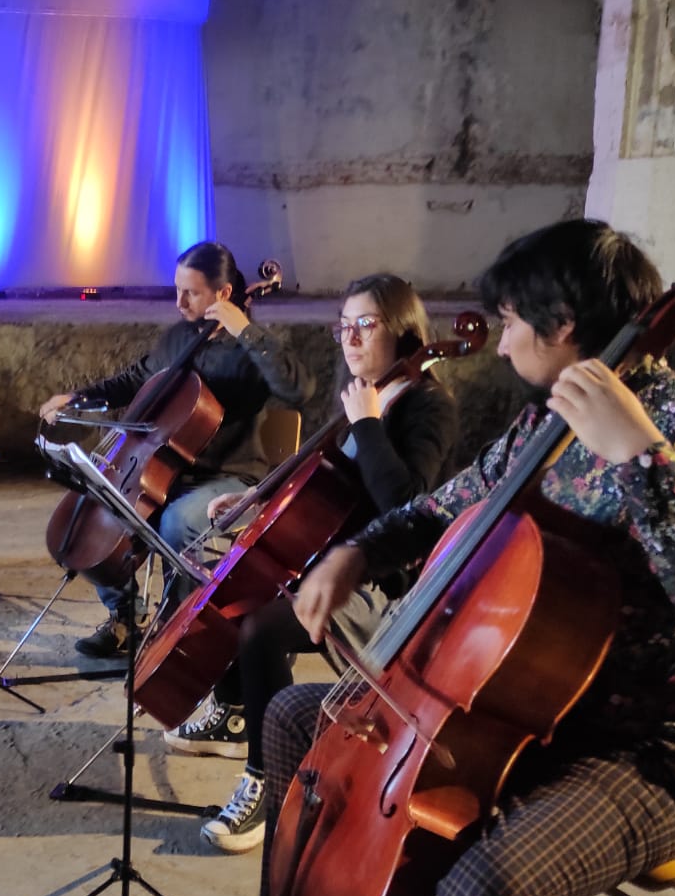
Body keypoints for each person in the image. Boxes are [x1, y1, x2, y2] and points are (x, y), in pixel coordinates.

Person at [172, 219, 675, 896]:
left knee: (487, 886)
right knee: (288, 720)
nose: (498, 345)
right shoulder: (540, 425)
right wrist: (357, 552)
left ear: (563, 321)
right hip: (513, 715)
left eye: (508, 322)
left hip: (652, 752)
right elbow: (441, 508)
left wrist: (643, 460)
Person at [163, 273, 460, 853]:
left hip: (387, 583)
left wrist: (370, 423)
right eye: (343, 326)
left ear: (403, 331)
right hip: (333, 559)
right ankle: (234, 714)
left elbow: (406, 503)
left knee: (262, 630)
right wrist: (257, 502)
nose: (350, 339)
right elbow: (326, 486)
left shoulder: (426, 405)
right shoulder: (362, 393)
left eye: (365, 325)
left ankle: (271, 786)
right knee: (235, 587)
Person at [39, 241, 314, 657]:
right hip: (164, 471)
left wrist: (245, 330)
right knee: (99, 511)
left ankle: (176, 630)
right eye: (177, 289)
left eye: (192, 292)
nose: (179, 302)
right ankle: (125, 619)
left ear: (223, 295)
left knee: (176, 524)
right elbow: (135, 379)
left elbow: (299, 389)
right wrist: (76, 398)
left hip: (227, 476)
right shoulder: (179, 337)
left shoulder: (248, 349)